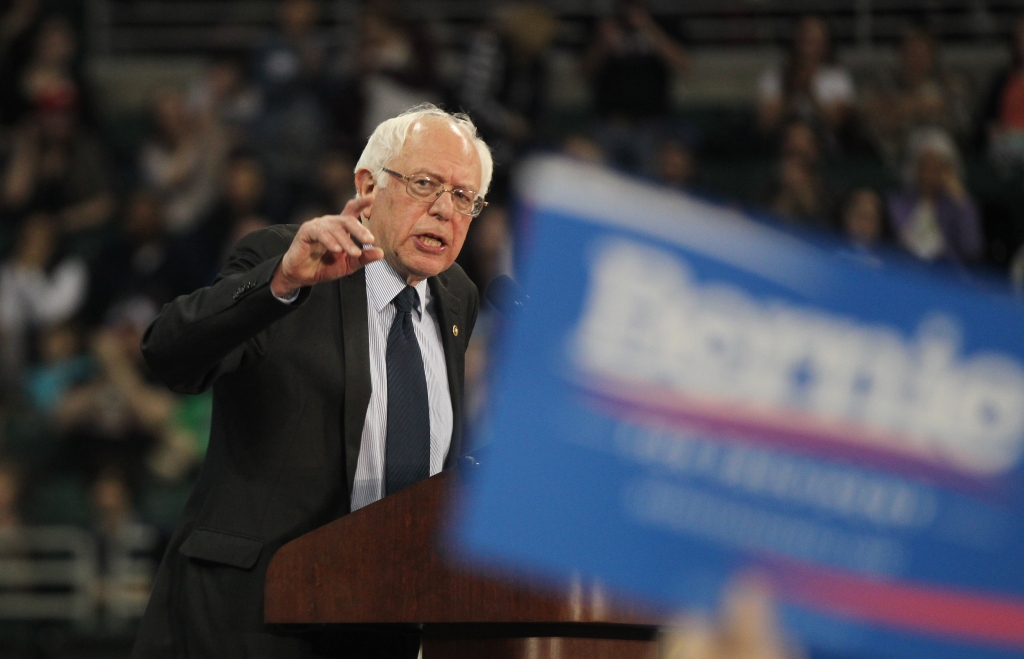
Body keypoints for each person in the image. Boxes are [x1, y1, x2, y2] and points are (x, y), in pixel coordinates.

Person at [131, 104, 491, 658]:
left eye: (464, 197)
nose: (445, 211)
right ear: (367, 185)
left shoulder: (457, 295)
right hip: (252, 618)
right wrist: (281, 282)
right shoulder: (290, 258)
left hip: (388, 621)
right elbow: (168, 356)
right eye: (425, 184)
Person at [756, 15, 855, 149]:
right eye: (806, 38)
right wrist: (790, 89)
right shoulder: (776, 75)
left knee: (802, 137)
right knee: (797, 135)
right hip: (782, 141)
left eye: (816, 40)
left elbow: (837, 123)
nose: (810, 46)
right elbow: (766, 123)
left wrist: (810, 92)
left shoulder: (837, 77)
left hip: (823, 142)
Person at [886, 128, 983, 263]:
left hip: (945, 276)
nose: (930, 176)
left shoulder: (958, 205)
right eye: (925, 167)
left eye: (937, 169)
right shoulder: (898, 201)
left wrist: (961, 202)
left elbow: (972, 249)